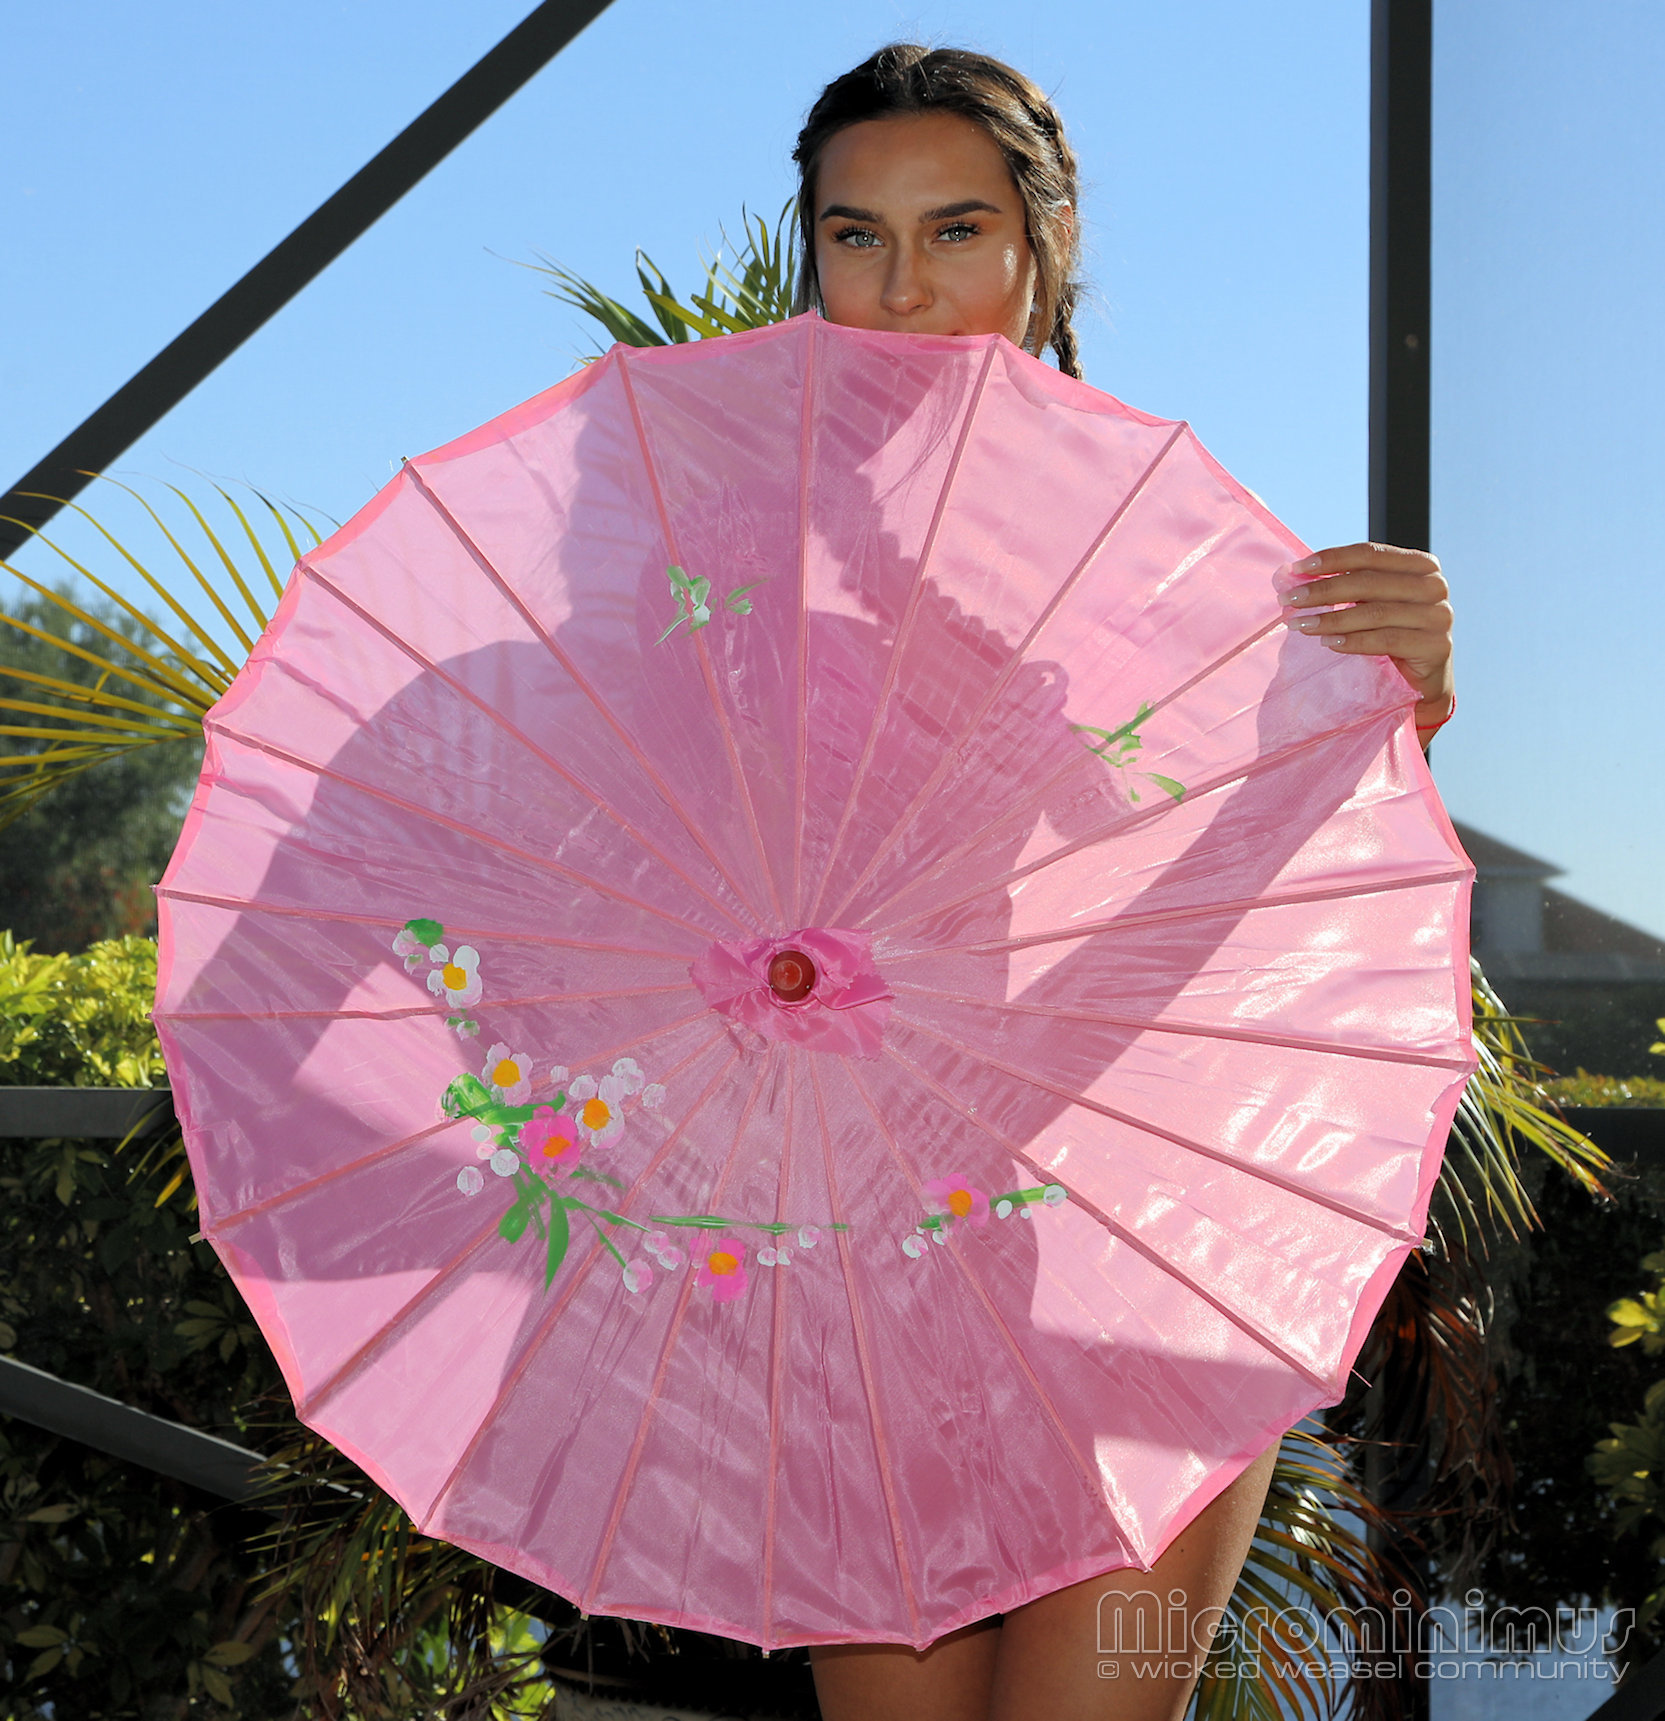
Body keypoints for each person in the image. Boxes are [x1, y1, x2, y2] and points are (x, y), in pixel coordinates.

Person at [787, 43, 1456, 1721]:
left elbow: (1265, 903)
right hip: (852, 1258)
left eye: (955, 228)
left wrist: (1395, 709)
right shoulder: (727, 567)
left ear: (1046, 247)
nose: (903, 285)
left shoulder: (1172, 566)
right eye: (855, 235)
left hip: (1135, 1238)